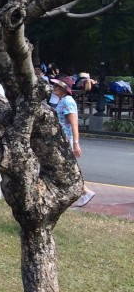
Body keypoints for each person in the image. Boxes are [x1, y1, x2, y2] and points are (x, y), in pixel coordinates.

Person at [50, 79, 95, 207]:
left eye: (57, 85)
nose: (54, 87)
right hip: (59, 139)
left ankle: (85, 191)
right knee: (62, 167)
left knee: (65, 168)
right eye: (54, 85)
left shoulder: (68, 101)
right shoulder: (62, 101)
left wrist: (76, 142)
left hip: (65, 140)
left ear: (64, 88)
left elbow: (74, 123)